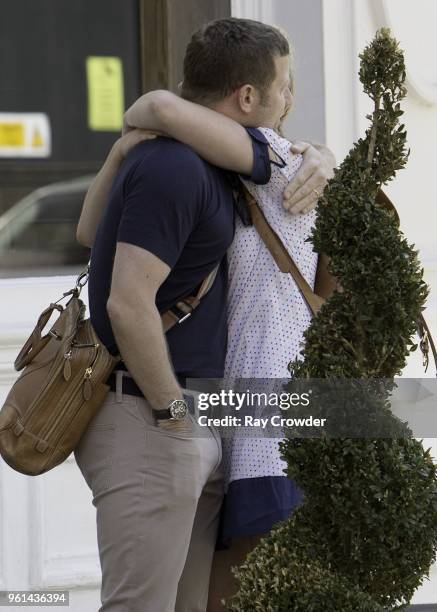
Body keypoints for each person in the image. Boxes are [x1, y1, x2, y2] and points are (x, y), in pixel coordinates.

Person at [75, 17, 334, 612]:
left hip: (187, 417)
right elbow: (126, 302)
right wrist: (176, 418)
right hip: (152, 418)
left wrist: (325, 158)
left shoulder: (206, 163)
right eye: (285, 87)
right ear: (248, 96)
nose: (290, 102)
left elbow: (91, 232)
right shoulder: (176, 167)